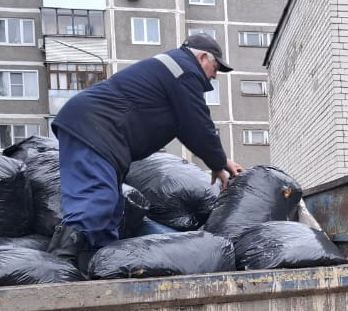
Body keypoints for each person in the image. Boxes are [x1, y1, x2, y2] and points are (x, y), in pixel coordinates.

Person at [47, 33, 244, 267]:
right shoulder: (184, 71)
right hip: (94, 128)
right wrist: (219, 162)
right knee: (96, 199)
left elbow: (187, 128)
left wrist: (218, 161)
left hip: (101, 134)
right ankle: (57, 268)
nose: (213, 76)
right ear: (202, 57)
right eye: (216, 68)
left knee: (110, 209)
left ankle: (97, 269)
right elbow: (198, 124)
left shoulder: (174, 72)